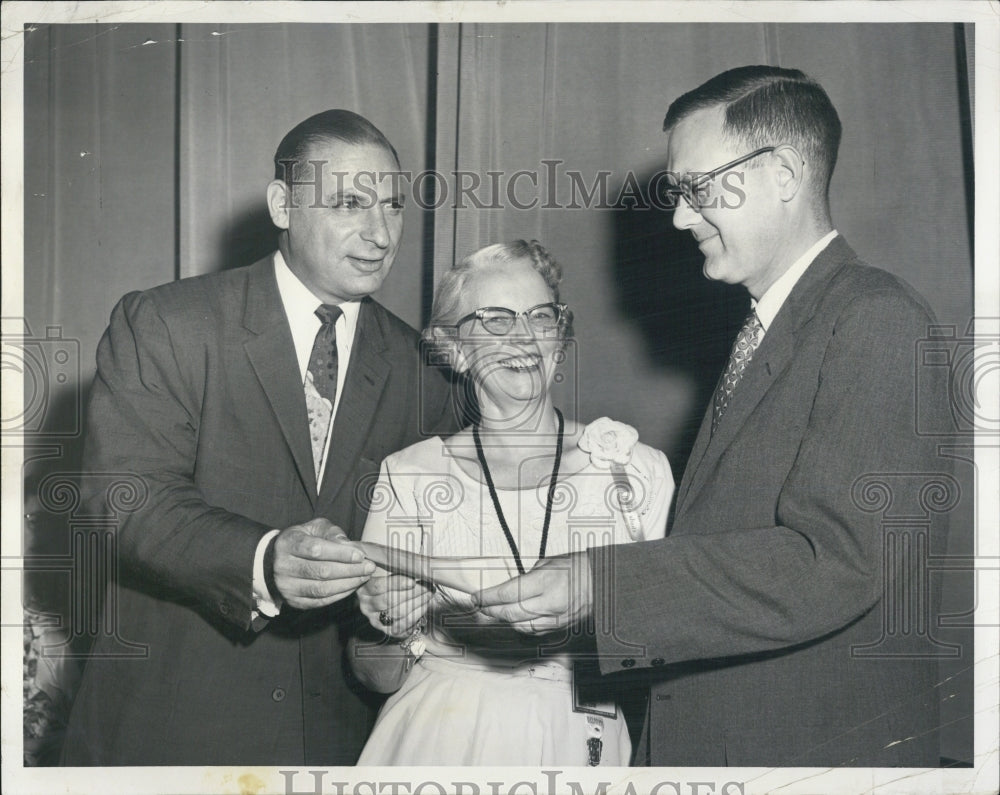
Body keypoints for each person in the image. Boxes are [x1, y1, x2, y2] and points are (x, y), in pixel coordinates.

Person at [476, 66, 956, 767]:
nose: (679, 216)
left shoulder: (876, 318)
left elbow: (835, 560)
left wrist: (601, 584)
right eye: (678, 193)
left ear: (784, 173)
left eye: (698, 189)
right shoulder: (773, 327)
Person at [60, 110, 454, 765]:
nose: (380, 233)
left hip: (342, 742)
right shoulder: (167, 323)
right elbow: (125, 500)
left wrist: (403, 600)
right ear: (282, 204)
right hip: (174, 734)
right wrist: (263, 560)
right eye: (349, 203)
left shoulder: (424, 371)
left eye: (392, 205)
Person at [346, 240, 674, 766]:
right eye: (495, 320)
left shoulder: (633, 471)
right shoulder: (410, 474)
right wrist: (396, 624)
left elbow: (668, 655)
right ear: (452, 349)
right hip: (439, 741)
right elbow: (373, 674)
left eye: (540, 317)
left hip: (581, 740)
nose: (523, 338)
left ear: (560, 339)